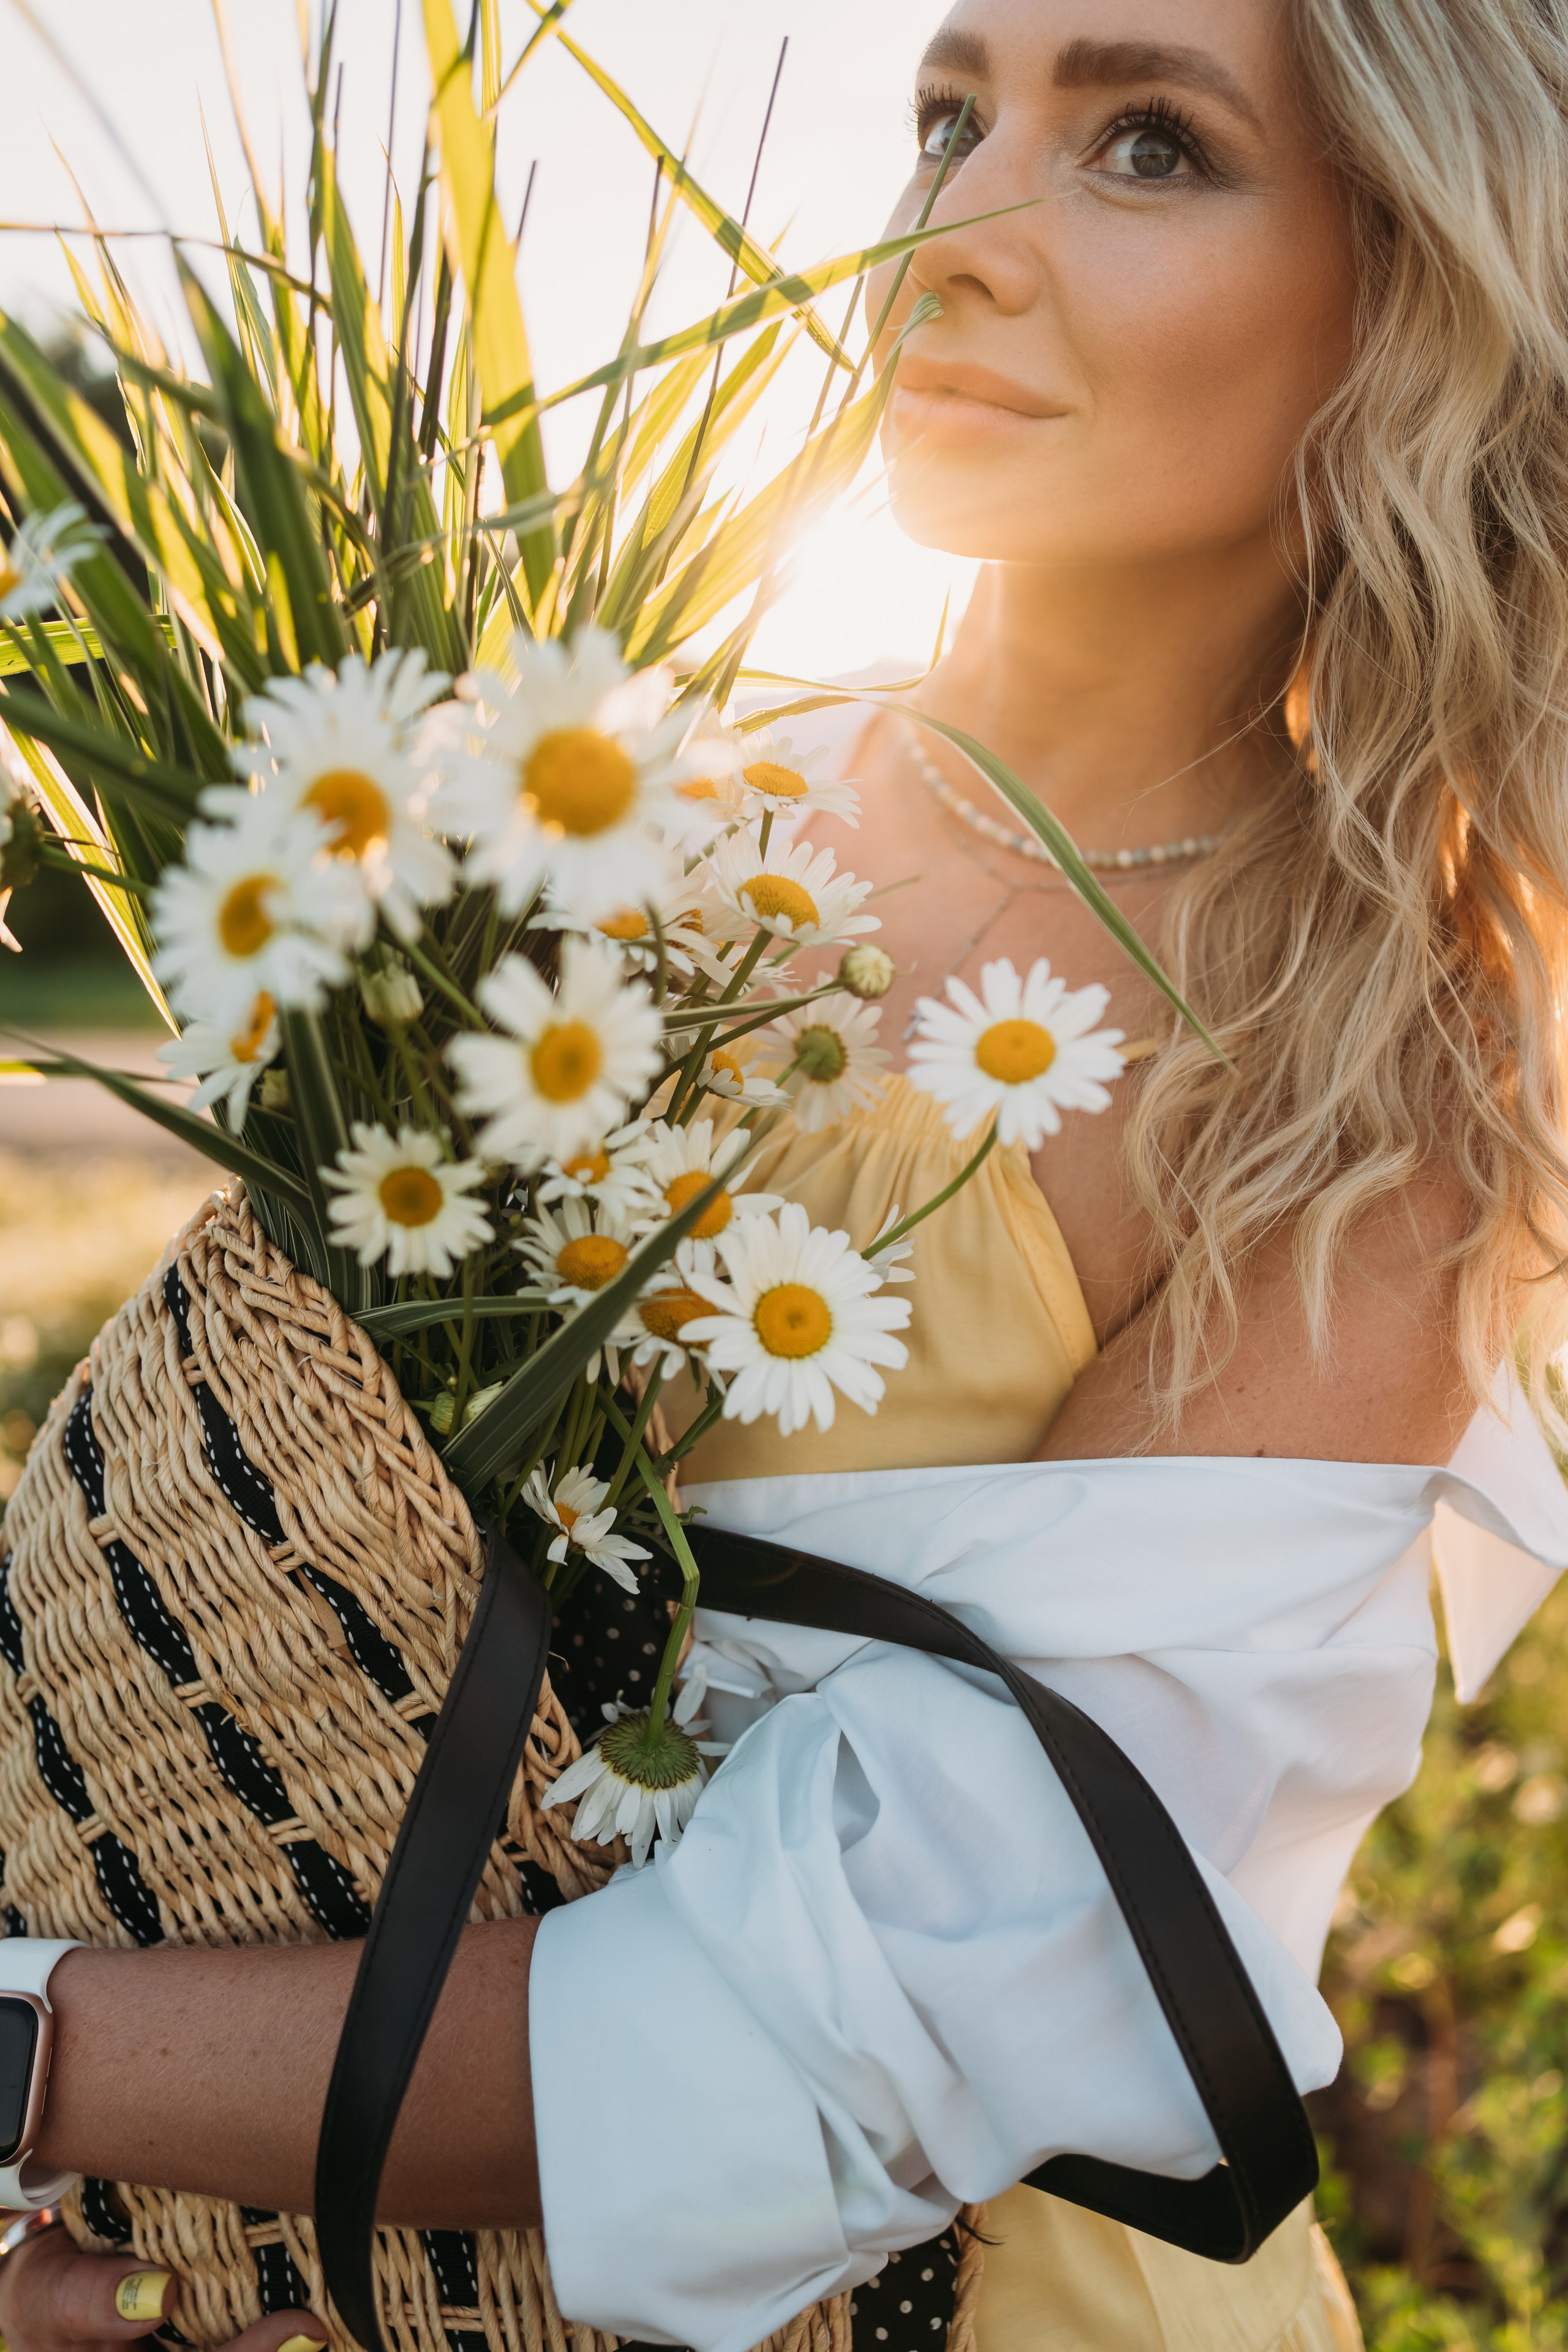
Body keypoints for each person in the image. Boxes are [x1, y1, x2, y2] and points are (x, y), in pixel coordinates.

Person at [6, 0, 1568, 2347]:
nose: (958, 230)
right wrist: (97, 2265)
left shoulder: (1366, 1086)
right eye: (950, 116)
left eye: (1149, 143)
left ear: (1411, 289)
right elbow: (276, 1540)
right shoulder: (608, 781)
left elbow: (862, 2016)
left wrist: (46, 2057)